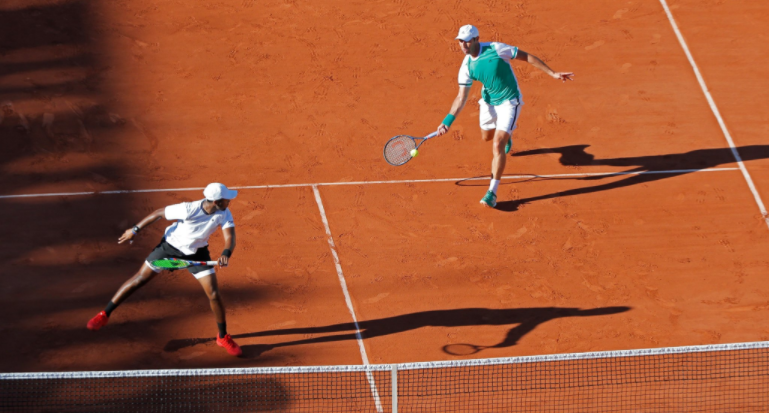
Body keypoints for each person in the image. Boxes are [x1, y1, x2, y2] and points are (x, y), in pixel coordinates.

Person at [86, 183, 243, 356]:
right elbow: (158, 213)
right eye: (226, 199)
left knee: (213, 293)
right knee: (140, 279)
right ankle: (104, 314)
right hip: (169, 248)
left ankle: (222, 336)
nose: (229, 201)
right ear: (216, 201)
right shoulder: (188, 209)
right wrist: (135, 230)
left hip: (197, 253)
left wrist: (226, 253)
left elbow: (230, 237)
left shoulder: (224, 212)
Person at [437, 25, 574, 208]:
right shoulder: (467, 66)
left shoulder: (496, 49)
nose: (463, 45)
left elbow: (527, 57)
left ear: (476, 39)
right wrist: (447, 121)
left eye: (467, 41)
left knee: (497, 144)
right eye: (460, 41)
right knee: (487, 137)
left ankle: (492, 193)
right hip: (488, 103)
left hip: (510, 102)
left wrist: (552, 73)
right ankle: (506, 134)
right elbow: (461, 97)